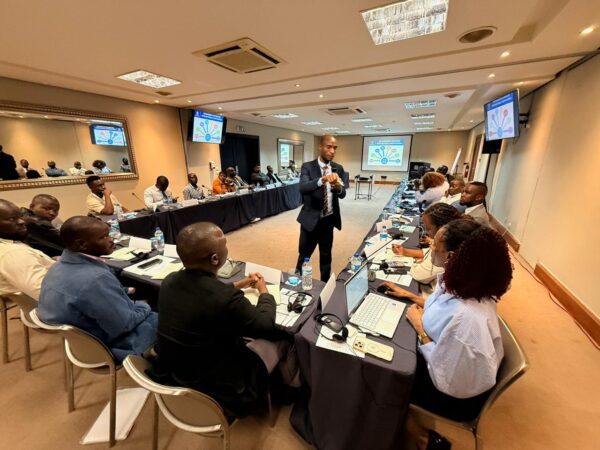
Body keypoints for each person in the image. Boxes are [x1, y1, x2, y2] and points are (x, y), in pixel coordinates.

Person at [155, 222, 292, 418]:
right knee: (284, 339)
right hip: (219, 384)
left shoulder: (169, 281)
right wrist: (264, 292)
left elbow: (205, 293)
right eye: (225, 244)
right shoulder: (225, 299)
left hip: (177, 369)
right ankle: (287, 391)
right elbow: (265, 325)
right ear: (215, 259)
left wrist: (240, 284)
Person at [384, 219, 512, 423]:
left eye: (436, 246)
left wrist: (420, 328)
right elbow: (443, 307)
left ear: (452, 256)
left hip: (448, 396)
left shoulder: (466, 319)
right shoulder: (469, 284)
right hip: (450, 369)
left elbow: (445, 374)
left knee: (383, 368)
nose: (431, 249)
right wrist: (410, 296)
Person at [38, 216, 157, 362]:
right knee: (167, 318)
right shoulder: (96, 279)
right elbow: (124, 325)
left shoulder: (57, 267)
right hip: (110, 344)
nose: (111, 240)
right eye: (104, 237)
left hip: (81, 341)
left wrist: (121, 292)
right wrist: (144, 305)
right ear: (82, 244)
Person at [295, 135, 346, 282]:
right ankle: (298, 285)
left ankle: (324, 286)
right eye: (329, 147)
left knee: (326, 258)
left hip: (328, 221)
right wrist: (322, 180)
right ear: (320, 146)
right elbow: (303, 187)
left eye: (335, 148)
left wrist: (338, 188)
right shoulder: (308, 167)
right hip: (310, 222)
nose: (332, 151)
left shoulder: (338, 168)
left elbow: (343, 194)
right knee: (304, 257)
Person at [391, 203, 463, 285]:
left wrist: (417, 262)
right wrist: (404, 251)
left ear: (441, 229)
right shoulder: (447, 240)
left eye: (428, 229)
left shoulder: (447, 250)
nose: (426, 232)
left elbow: (418, 274)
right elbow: (426, 254)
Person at [0, 199, 54, 300]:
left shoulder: (10, 244)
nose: (22, 221)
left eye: (20, 217)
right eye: (12, 219)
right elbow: (49, 295)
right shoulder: (14, 254)